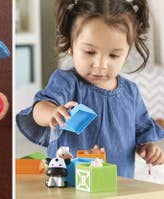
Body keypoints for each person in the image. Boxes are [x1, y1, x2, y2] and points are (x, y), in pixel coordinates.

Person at [16, 0, 164, 178]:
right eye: (90, 52)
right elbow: (38, 109)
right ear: (71, 46)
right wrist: (52, 112)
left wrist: (149, 148)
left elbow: (143, 131)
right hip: (71, 181)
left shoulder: (130, 92)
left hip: (119, 184)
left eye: (114, 55)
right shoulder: (66, 81)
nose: (100, 64)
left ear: (126, 52)